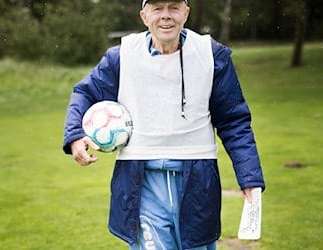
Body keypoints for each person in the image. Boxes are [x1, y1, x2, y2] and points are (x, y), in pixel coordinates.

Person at [62, 0, 266, 249]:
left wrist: (249, 177)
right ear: (144, 15)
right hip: (142, 184)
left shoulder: (211, 55)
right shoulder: (121, 56)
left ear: (186, 13)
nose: (166, 16)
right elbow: (85, 93)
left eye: (174, 7)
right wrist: (75, 135)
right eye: (157, 8)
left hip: (197, 183)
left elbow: (234, 121)